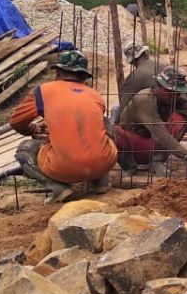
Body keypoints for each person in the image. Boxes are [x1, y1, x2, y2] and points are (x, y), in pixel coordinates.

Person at [9, 51, 117, 203]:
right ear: (84, 77)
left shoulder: (43, 91)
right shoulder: (95, 96)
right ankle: (100, 182)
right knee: (104, 124)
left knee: (24, 149)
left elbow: (16, 122)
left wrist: (32, 129)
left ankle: (58, 188)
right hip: (104, 163)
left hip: (64, 168)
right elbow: (83, 124)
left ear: (58, 72)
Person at [116, 66, 187, 177]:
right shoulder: (145, 100)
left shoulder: (172, 98)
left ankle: (157, 161)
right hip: (134, 145)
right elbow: (160, 134)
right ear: (159, 86)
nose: (175, 95)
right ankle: (129, 166)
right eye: (170, 91)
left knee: (183, 117)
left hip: (152, 143)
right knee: (116, 132)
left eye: (177, 93)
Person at [114, 43, 156, 124]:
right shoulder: (162, 65)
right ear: (145, 53)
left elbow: (124, 105)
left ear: (131, 62)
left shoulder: (132, 78)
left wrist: (116, 124)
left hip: (151, 116)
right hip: (170, 111)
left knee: (115, 109)